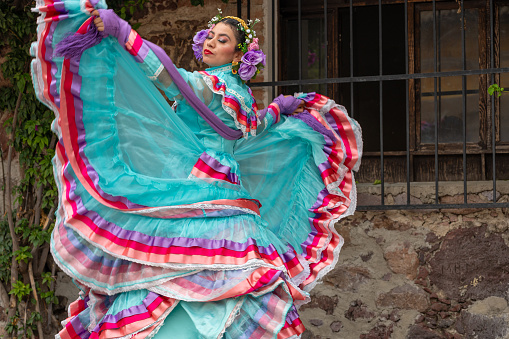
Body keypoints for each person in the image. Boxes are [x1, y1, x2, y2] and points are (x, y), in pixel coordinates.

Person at [31, 1, 362, 338]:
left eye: (222, 40)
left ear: (238, 56)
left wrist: (125, 34)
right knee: (221, 273)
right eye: (210, 36)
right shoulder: (240, 95)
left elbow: (168, 76)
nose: (210, 42)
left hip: (202, 189)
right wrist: (279, 108)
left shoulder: (212, 87)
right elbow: (254, 127)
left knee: (174, 270)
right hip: (228, 196)